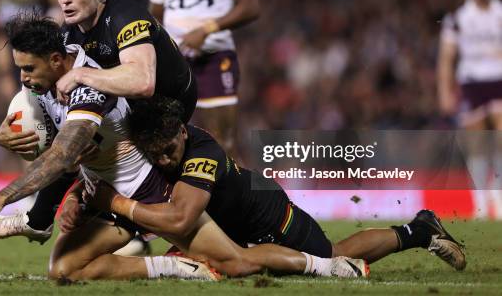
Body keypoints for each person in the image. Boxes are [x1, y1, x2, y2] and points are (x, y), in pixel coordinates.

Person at [0, 16, 367, 281]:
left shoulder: (89, 87)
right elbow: (27, 123)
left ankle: (327, 266)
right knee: (63, 269)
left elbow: (63, 154)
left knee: (237, 263)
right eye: (20, 70)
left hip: (150, 192)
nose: (24, 79)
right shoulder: (43, 80)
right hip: (108, 193)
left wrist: (1, 197)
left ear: (57, 59)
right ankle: (178, 267)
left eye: (29, 69)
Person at [89, 96, 467, 272]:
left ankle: (418, 230)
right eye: (155, 154)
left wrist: (118, 205)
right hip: (231, 222)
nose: (164, 160)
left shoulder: (202, 154)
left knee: (331, 256)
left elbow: (182, 217)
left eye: (169, 151)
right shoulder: (160, 143)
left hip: (266, 212)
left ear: (183, 133)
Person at [0, 0, 197, 250]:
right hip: (127, 113)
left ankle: (71, 220)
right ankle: (47, 219)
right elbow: (42, 79)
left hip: (167, 110)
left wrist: (82, 75)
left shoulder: (125, 18)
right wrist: (6, 129)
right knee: (73, 139)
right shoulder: (68, 34)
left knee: (78, 146)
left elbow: (143, 82)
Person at [148, 0, 260, 160]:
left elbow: (250, 7)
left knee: (221, 140)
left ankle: (234, 199)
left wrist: (207, 29)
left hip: (214, 60)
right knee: (164, 137)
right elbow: (155, 17)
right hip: (175, 64)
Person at [438, 0, 502, 219]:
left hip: (498, 79)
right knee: (476, 143)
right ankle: (480, 200)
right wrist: (444, 91)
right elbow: (446, 58)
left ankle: (498, 196)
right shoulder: (457, 20)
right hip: (471, 82)